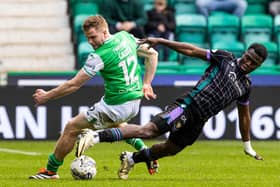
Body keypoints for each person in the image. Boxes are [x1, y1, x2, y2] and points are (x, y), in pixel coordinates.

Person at [77, 37, 266, 179]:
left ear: (258, 66)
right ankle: (95, 136)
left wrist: (247, 145)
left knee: (171, 148)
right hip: (185, 106)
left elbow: (244, 116)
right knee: (149, 130)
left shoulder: (245, 86)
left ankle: (132, 159)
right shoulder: (225, 58)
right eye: (248, 58)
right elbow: (192, 50)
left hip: (199, 120)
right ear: (245, 52)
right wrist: (162, 41)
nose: (248, 63)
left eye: (253, 63)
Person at [29, 15, 159, 180]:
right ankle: (145, 153)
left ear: (104, 32)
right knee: (118, 123)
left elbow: (73, 85)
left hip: (116, 104)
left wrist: (47, 96)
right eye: (87, 38)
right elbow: (152, 54)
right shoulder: (126, 37)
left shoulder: (99, 56)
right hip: (134, 102)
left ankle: (50, 171)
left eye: (93, 37)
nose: (90, 41)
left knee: (71, 128)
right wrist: (147, 83)